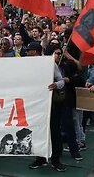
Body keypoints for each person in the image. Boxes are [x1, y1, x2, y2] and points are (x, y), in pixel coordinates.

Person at [27, 42, 67, 172]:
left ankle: (56, 160)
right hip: (35, 106)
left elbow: (61, 81)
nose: (27, 53)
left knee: (54, 132)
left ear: (37, 52)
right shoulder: (26, 65)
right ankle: (41, 158)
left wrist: (56, 85)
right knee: (38, 132)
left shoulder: (50, 64)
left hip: (51, 106)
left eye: (30, 51)